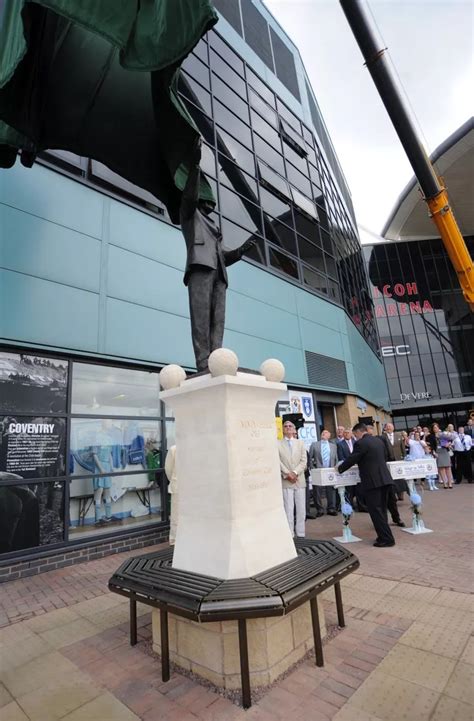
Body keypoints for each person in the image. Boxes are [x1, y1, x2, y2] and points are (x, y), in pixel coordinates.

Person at [180, 139, 255, 371]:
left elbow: (221, 256)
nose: (211, 205)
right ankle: (203, 361)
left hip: (219, 275)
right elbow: (189, 194)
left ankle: (217, 360)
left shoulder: (214, 228)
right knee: (201, 318)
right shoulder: (190, 215)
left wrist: (240, 251)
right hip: (200, 269)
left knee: (218, 320)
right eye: (208, 200)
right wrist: (195, 163)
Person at [337, 423, 396, 547]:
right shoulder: (378, 441)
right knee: (382, 510)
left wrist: (340, 468)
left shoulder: (361, 443)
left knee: (375, 511)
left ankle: (386, 538)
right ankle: (383, 536)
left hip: (372, 481)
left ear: (359, 432)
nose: (355, 437)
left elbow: (353, 458)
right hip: (385, 479)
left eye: (355, 434)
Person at [278, 420, 307, 538]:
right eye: (286, 426)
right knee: (288, 510)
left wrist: (295, 473)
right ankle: (290, 534)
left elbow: (304, 461)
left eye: (290, 426)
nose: (288, 427)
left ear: (294, 429)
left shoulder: (300, 443)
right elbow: (277, 461)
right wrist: (287, 474)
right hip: (286, 481)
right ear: (283, 429)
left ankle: (301, 534)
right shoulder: (277, 443)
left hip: (299, 480)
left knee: (301, 510)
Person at [309, 430, 338, 516]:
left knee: (331, 490)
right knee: (317, 490)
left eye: (326, 433)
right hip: (318, 471)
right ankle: (319, 510)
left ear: (329, 436)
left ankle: (331, 508)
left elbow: (336, 458)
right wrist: (313, 469)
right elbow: (310, 458)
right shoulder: (314, 445)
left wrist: (335, 468)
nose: (323, 433)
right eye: (322, 432)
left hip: (330, 471)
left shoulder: (333, 446)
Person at [427, 423, 454, 489]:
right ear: (432, 429)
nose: (435, 429)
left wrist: (448, 444)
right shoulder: (430, 436)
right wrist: (433, 452)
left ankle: (450, 483)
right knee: (441, 468)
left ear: (438, 428)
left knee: (448, 468)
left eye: (436, 427)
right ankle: (444, 483)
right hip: (438, 452)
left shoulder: (443, 434)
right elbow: (430, 446)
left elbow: (451, 439)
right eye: (434, 428)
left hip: (445, 451)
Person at [164, 445, 178, 544]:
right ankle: (174, 539)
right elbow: (168, 469)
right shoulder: (173, 450)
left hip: (190, 488)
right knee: (176, 515)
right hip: (177, 487)